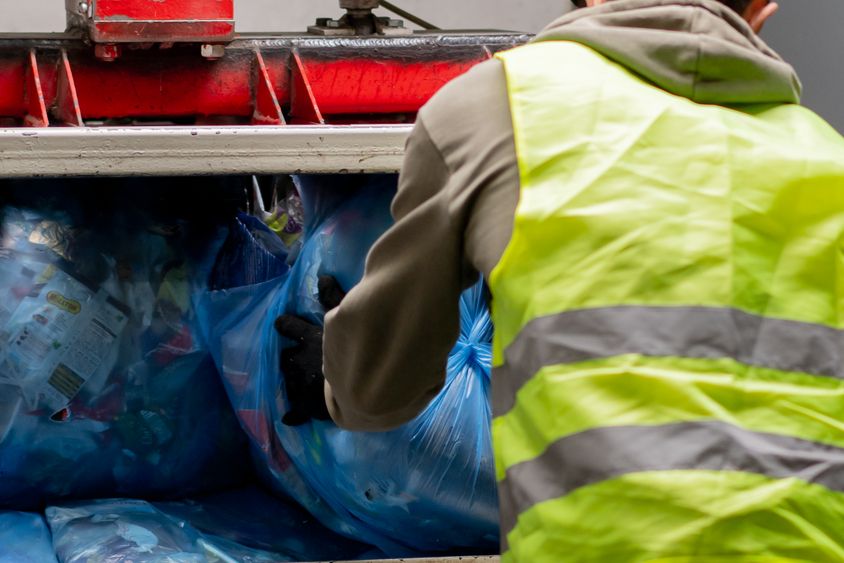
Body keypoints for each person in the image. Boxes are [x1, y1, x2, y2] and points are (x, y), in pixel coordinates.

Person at [277, 0, 844, 560]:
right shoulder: (827, 158)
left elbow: (378, 390)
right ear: (763, 12)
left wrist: (337, 371)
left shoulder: (502, 106)